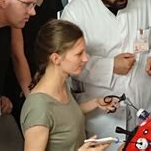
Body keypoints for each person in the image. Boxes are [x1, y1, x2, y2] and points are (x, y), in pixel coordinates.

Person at [61, 0, 151, 150]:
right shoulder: (75, 12)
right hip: (101, 109)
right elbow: (68, 62)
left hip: (142, 93)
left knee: (144, 144)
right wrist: (110, 66)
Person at [21, 19, 117, 151]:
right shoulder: (38, 108)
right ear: (56, 59)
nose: (85, 59)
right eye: (79, 54)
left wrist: (95, 103)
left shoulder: (62, 85)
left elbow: (64, 116)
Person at [9, 0, 64, 121]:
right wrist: (29, 93)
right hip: (23, 64)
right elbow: (17, 52)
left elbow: (53, 27)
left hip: (47, 60)